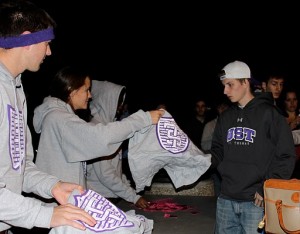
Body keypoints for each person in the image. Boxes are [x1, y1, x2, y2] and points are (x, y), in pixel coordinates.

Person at [0, 1, 97, 233]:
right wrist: (44, 214)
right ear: (27, 40)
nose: (49, 52)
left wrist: (53, 186)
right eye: (46, 43)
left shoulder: (15, 88)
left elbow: (18, 168)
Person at [33, 66, 164, 193]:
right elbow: (101, 137)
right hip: (61, 203)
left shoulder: (58, 117)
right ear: (72, 91)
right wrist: (143, 119)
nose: (90, 96)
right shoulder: (60, 119)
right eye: (86, 90)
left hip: (65, 200)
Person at [210, 60, 296, 233]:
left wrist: (267, 187)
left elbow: (286, 155)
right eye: (224, 86)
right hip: (226, 199)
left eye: (229, 85)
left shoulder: (271, 115)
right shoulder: (225, 117)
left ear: (245, 82)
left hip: (255, 201)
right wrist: (196, 160)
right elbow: (217, 152)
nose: (225, 91)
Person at [86, 80, 149, 209]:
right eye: (118, 102)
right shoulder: (96, 129)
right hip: (98, 198)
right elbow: (106, 174)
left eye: (122, 102)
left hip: (110, 196)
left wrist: (130, 189)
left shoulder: (111, 127)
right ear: (106, 101)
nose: (120, 107)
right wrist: (133, 197)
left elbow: (117, 170)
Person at [201, 97, 230, 196]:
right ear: (217, 109)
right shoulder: (210, 125)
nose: (223, 109)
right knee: (217, 193)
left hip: (230, 165)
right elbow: (204, 145)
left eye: (225, 107)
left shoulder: (234, 123)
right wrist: (218, 140)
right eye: (220, 107)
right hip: (216, 165)